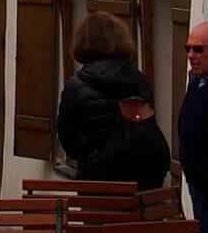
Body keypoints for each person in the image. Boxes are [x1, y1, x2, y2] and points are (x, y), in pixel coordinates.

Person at [57, 13, 154, 178]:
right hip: (139, 173)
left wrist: (89, 154)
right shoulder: (139, 80)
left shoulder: (75, 86)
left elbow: (68, 138)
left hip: (95, 176)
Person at [179, 19, 208, 233]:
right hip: (200, 191)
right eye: (188, 48)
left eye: (199, 49)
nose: (191, 55)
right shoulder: (197, 81)